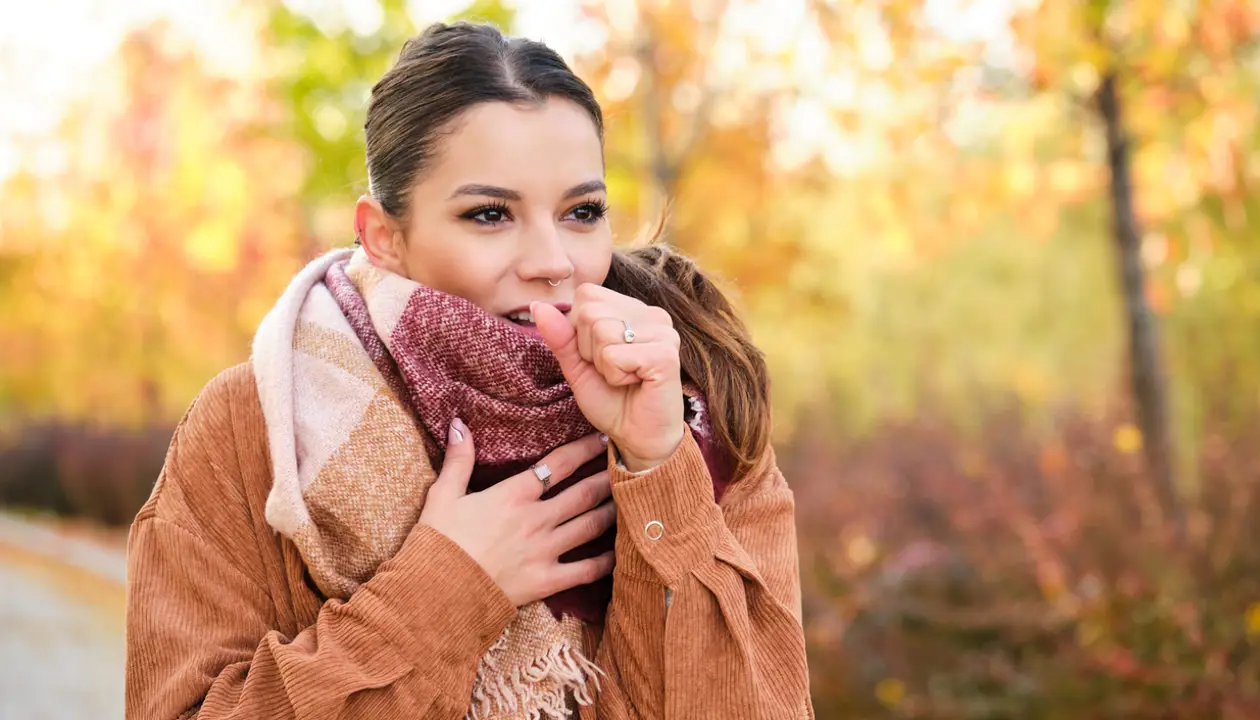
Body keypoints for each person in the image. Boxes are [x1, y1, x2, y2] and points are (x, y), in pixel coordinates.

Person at [124, 20, 812, 720]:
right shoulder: (258, 426)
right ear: (384, 237)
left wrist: (659, 468)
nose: (553, 261)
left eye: (582, 212)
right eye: (489, 214)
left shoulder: (704, 420)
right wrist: (447, 590)